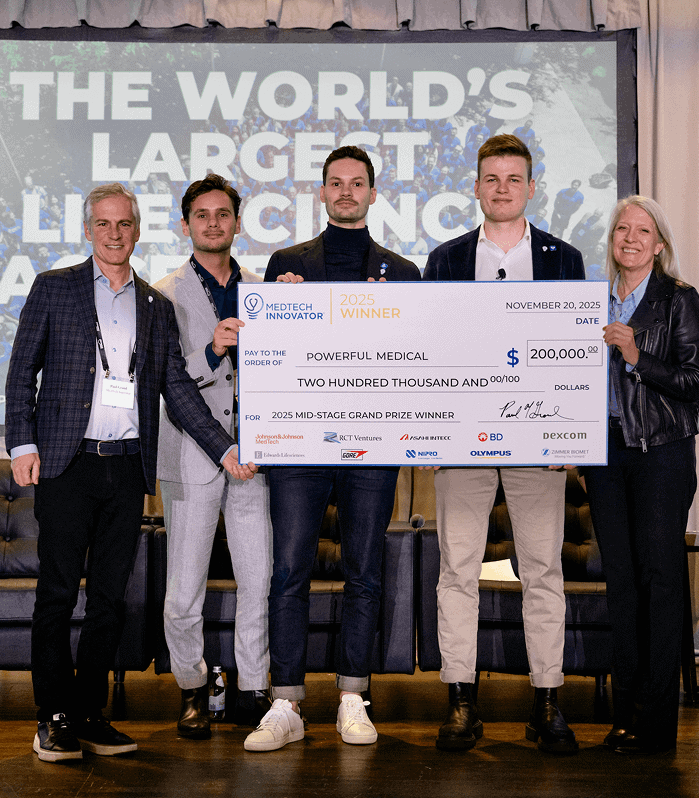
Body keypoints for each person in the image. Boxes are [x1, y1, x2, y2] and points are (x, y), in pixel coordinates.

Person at [6, 183, 256, 763]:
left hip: (125, 471)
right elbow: (22, 373)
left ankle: (91, 714)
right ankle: (53, 717)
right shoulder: (55, 289)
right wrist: (22, 442)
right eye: (104, 224)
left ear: (138, 231)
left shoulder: (155, 305)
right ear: (88, 230)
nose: (115, 234)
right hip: (65, 464)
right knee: (58, 594)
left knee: (110, 601)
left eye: (125, 224)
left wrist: (224, 451)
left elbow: (179, 391)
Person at [243, 146, 420, 752]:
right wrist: (281, 308)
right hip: (299, 447)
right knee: (289, 569)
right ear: (322, 193)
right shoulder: (285, 265)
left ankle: (352, 696)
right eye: (336, 183)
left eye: (358, 183)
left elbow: (413, 363)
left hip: (372, 446)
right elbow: (266, 360)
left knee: (363, 572)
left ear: (373, 194)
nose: (347, 192)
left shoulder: (403, 272)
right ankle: (286, 702)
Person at [423, 134, 585, 754]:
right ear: (476, 187)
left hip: (536, 441)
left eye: (513, 179)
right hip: (461, 442)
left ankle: (547, 702)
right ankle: (461, 701)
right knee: (457, 572)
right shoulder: (445, 258)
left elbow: (572, 352)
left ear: (531, 188)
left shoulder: (563, 259)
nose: (501, 189)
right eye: (491, 178)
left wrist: (566, 427)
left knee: (542, 571)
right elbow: (428, 350)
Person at [577, 196, 699, 754]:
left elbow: (695, 380)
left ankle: (657, 724)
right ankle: (626, 717)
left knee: (660, 585)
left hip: (661, 455)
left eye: (642, 231)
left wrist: (636, 355)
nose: (629, 238)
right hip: (606, 455)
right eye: (621, 229)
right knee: (622, 587)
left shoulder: (678, 299)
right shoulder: (590, 300)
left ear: (660, 245)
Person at [153, 175, 273, 740]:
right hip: (194, 460)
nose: (213, 223)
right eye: (201, 215)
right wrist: (214, 349)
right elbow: (169, 382)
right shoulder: (162, 293)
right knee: (183, 592)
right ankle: (193, 689)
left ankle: (253, 687)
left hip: (254, 461)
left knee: (258, 583)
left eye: (223, 214)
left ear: (236, 222)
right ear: (186, 225)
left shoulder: (262, 290)